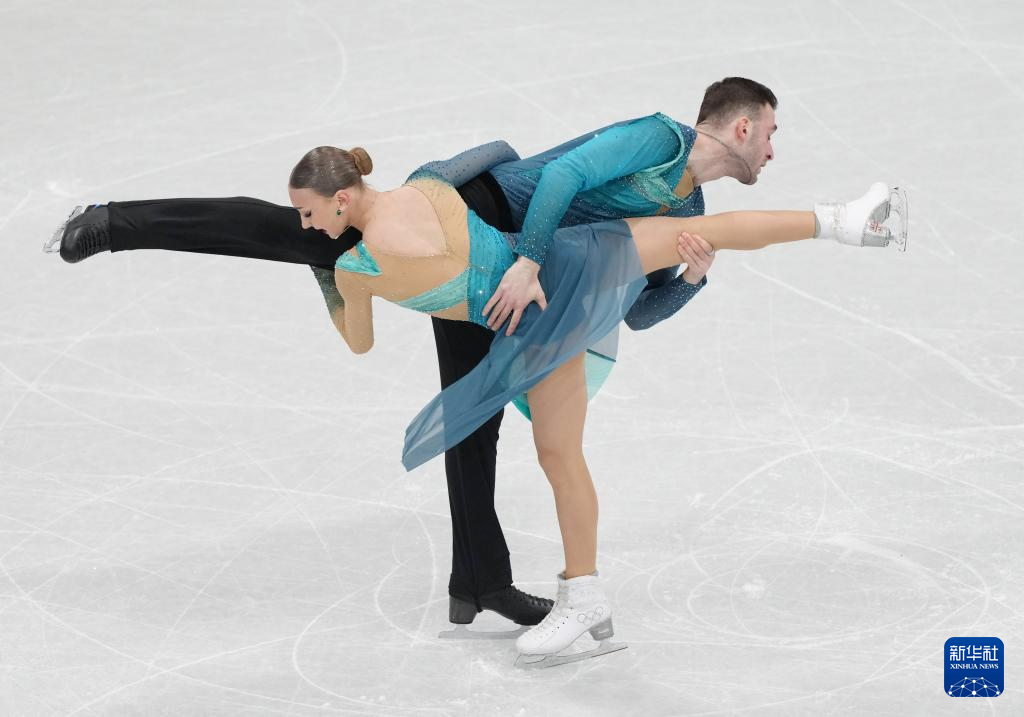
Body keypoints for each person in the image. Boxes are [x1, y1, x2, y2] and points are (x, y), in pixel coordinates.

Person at [285, 135, 906, 667]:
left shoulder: (355, 271)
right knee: (562, 449)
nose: (306, 227)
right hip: (567, 272)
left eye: (308, 215)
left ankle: (584, 595)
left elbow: (359, 342)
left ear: (341, 200)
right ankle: (845, 221)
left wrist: (324, 273)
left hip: (535, 322)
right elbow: (499, 151)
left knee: (562, 455)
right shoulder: (429, 182)